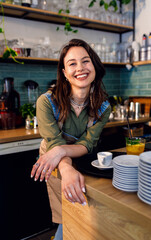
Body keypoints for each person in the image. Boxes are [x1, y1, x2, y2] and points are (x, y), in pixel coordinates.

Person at [30, 38, 111, 240]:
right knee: (68, 215)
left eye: (85, 61)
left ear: (94, 65)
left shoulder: (103, 107)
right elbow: (54, 144)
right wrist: (65, 165)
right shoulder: (46, 102)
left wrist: (61, 151)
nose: (80, 68)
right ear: (65, 73)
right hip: (54, 162)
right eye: (72, 63)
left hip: (82, 159)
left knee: (87, 211)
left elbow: (87, 144)